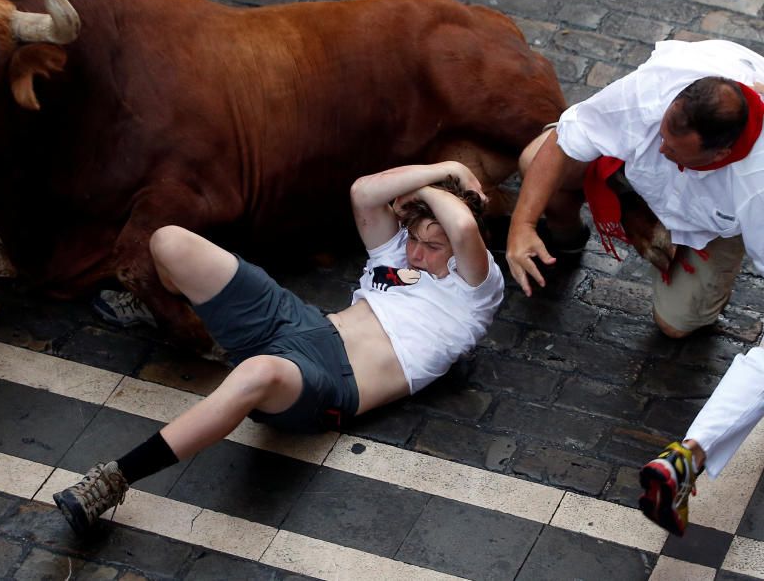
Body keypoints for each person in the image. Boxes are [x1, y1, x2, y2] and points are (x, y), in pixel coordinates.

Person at [53, 161, 505, 535]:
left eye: (433, 246)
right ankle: (192, 327)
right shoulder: (398, 251)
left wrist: (444, 188)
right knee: (169, 242)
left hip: (330, 382)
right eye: (415, 240)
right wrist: (447, 170)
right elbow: (364, 191)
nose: (417, 255)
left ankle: (115, 480)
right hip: (298, 322)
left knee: (257, 374)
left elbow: (463, 222)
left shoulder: (474, 289)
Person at [505, 39, 764, 536]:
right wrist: (522, 225)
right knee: (537, 155)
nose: (662, 148)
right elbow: (564, 139)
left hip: (715, 228)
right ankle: (687, 458)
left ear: (723, 153)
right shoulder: (659, 89)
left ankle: (693, 259)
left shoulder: (756, 191)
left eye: (676, 151)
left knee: (676, 325)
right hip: (653, 192)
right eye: (663, 135)